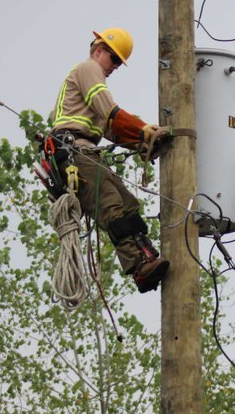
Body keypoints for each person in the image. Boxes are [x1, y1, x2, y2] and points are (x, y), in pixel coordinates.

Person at [45, 27, 170, 293]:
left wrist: (144, 138)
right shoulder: (88, 69)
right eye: (113, 59)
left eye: (118, 63)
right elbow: (109, 109)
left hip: (85, 153)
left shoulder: (91, 86)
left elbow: (111, 128)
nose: (115, 66)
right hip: (73, 152)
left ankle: (145, 258)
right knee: (112, 205)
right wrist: (142, 130)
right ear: (99, 50)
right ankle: (138, 265)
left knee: (127, 202)